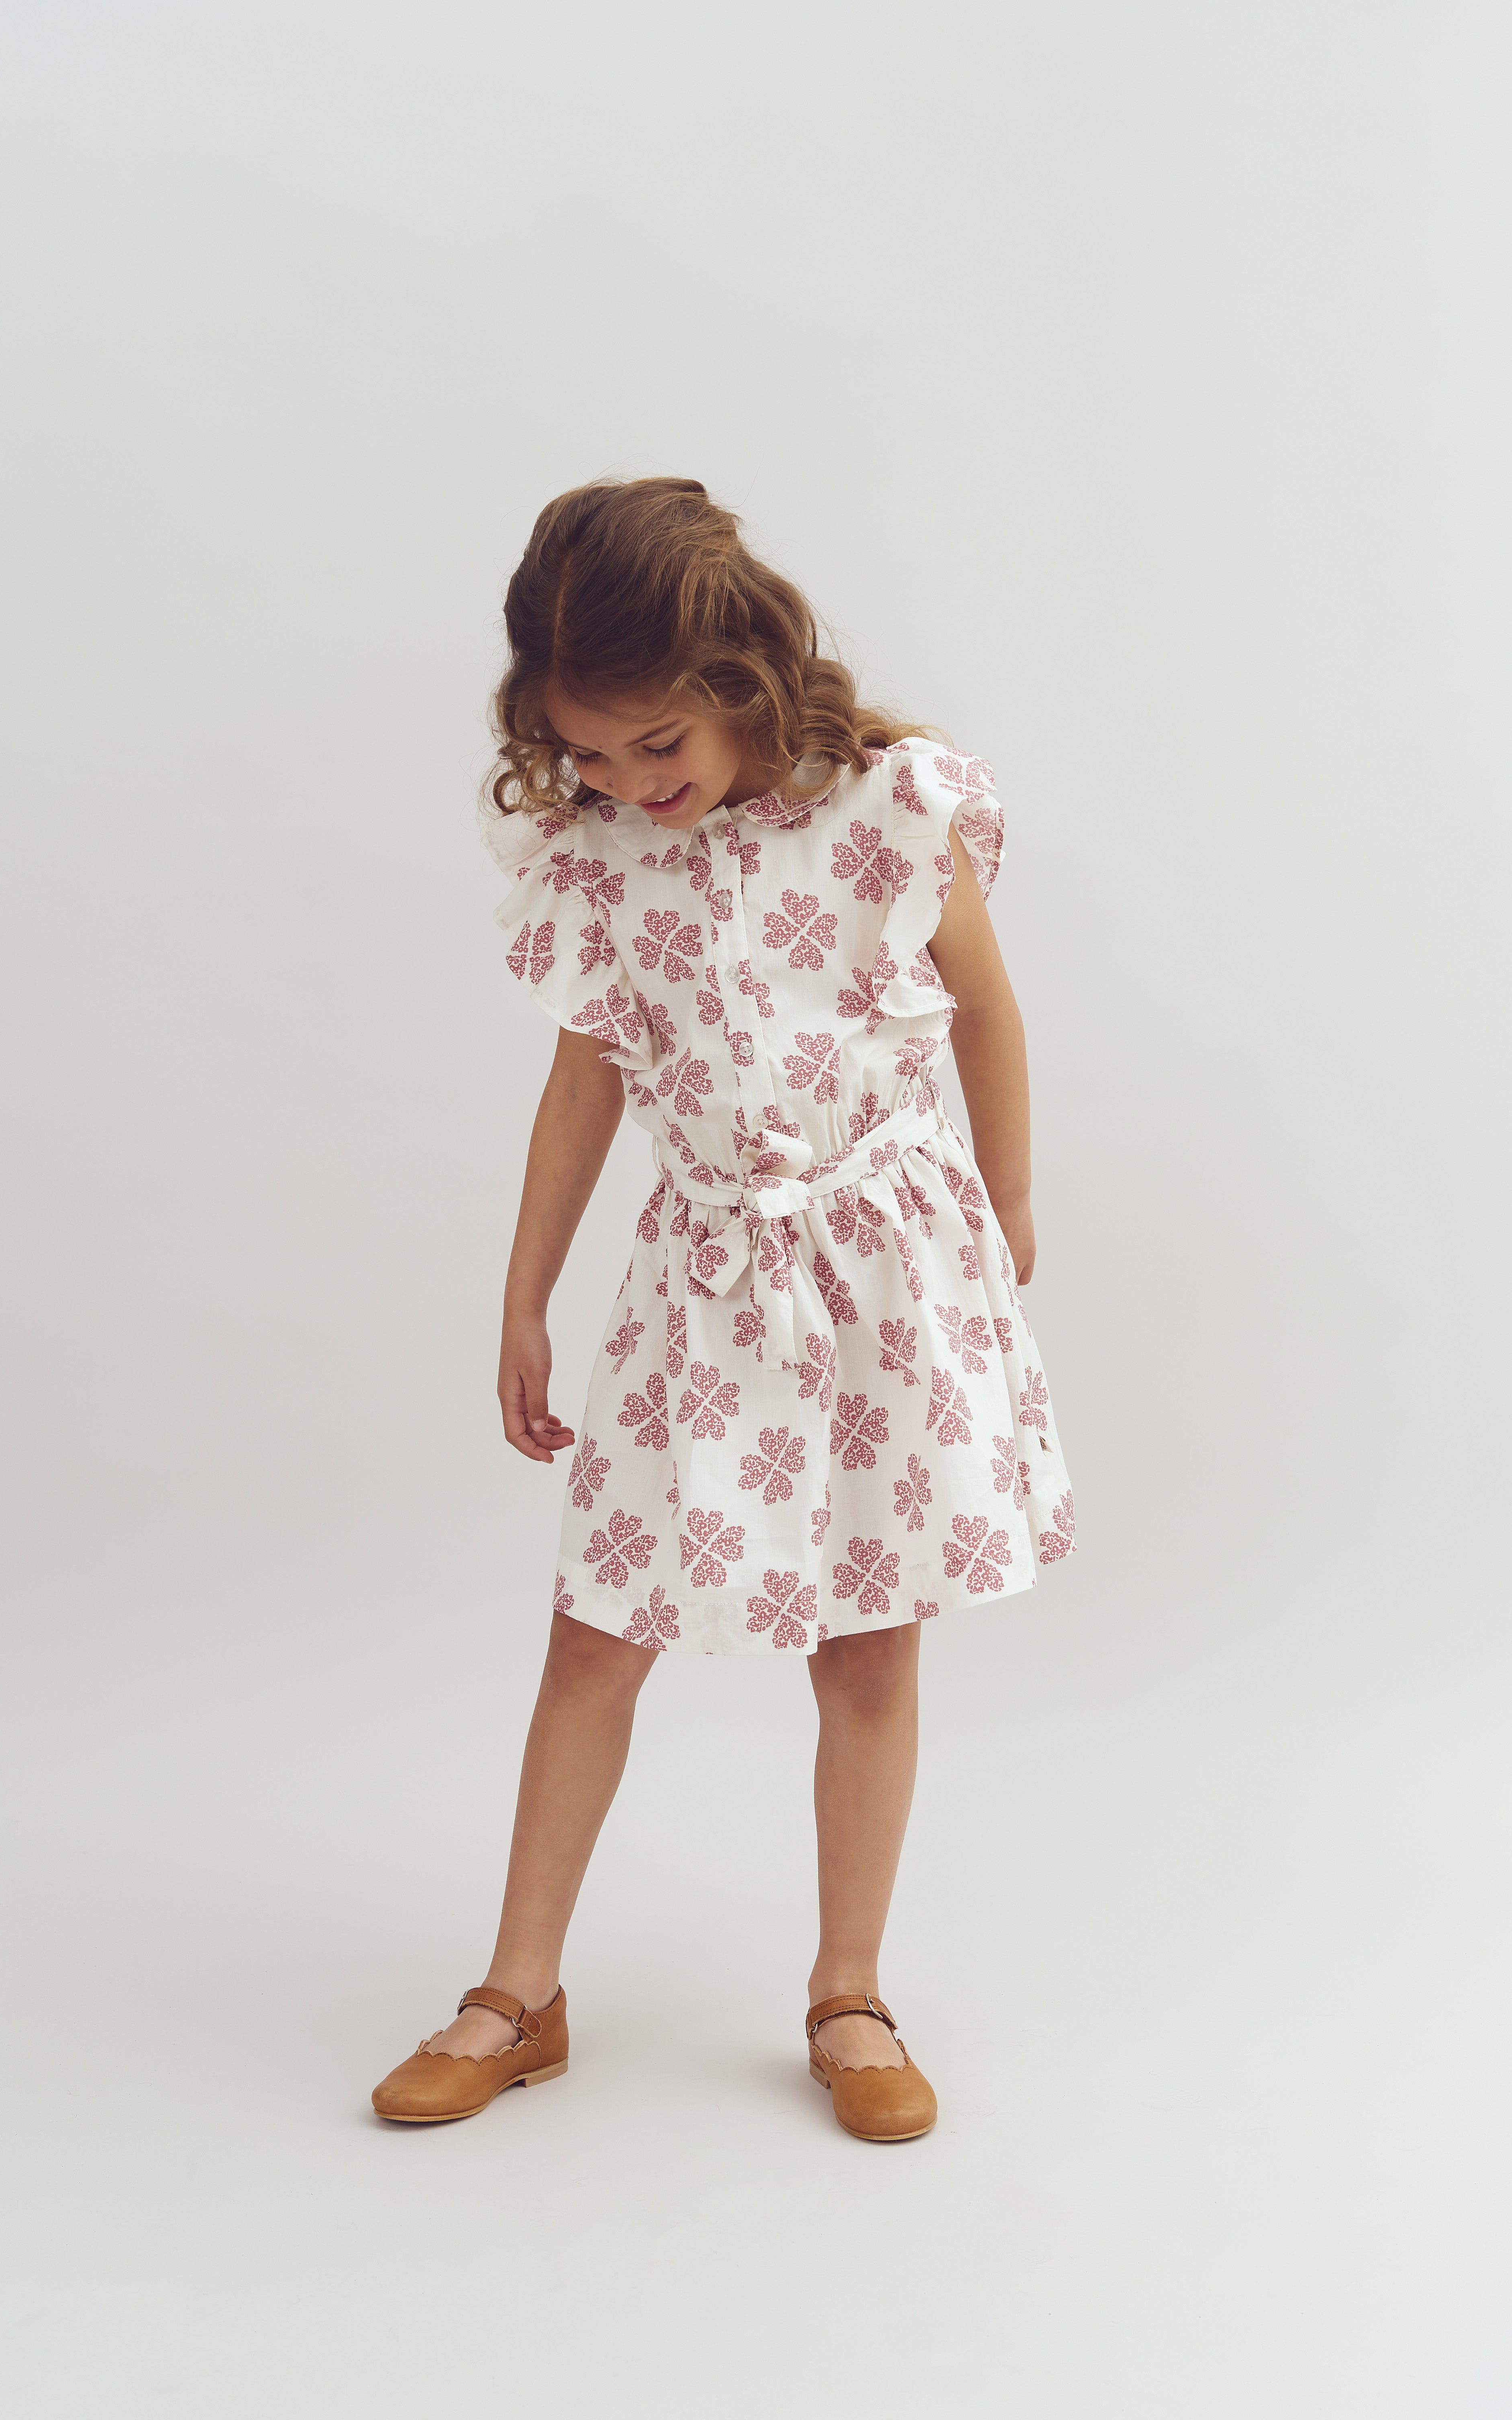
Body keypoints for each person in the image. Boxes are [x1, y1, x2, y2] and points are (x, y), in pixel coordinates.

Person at [371, 477, 1075, 2143]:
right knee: (597, 1633)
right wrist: (524, 1293)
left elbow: (985, 1010)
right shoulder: (603, 861)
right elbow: (581, 1086)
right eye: (587, 759)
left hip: (883, 1274)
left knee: (864, 1647)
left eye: (648, 752)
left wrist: (1009, 1196)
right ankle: (518, 1989)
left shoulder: (896, 808)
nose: (620, 787)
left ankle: (850, 1990)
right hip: (700, 1284)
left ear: (741, 679)